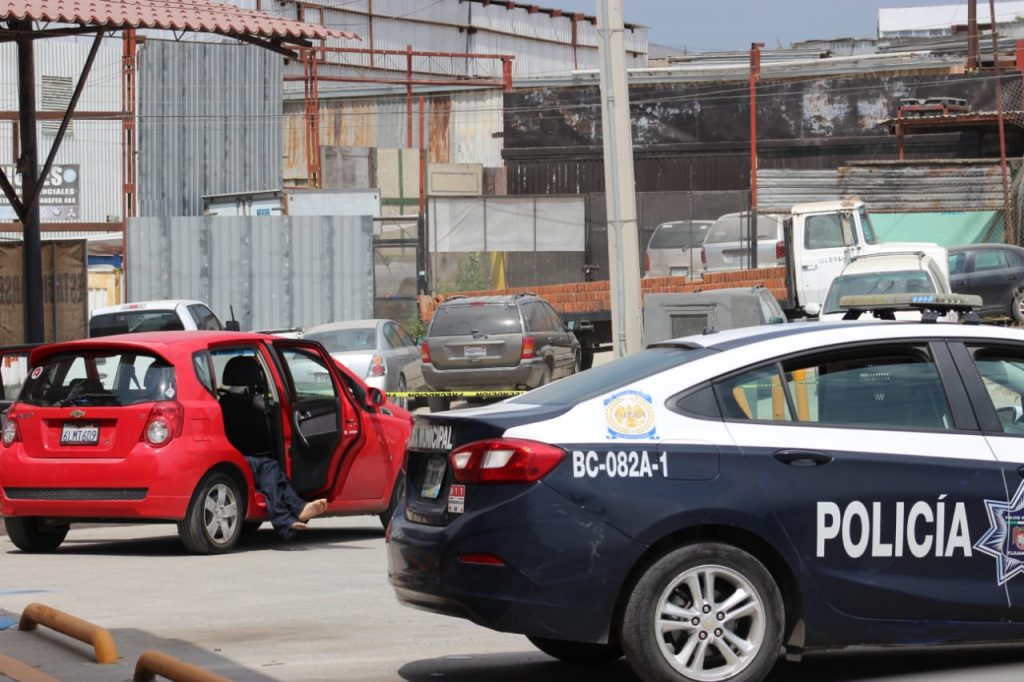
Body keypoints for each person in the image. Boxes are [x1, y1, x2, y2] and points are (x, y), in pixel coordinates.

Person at [219, 355, 328, 539]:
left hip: (232, 457)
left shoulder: (221, 404)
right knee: (269, 467)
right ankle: (285, 519)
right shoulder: (259, 406)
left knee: (275, 473)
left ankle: (298, 509)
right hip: (241, 460)